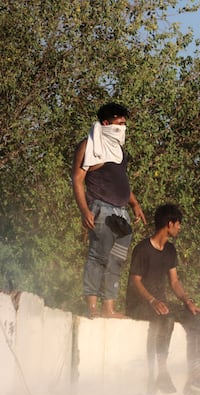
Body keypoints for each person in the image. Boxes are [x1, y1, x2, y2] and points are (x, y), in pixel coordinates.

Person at [125, 204, 200, 395]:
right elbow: (135, 281)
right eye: (178, 224)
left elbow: (174, 281)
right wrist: (152, 301)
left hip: (161, 303)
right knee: (166, 317)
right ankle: (161, 372)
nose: (180, 228)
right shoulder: (142, 249)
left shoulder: (170, 250)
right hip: (140, 305)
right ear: (169, 224)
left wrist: (188, 302)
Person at [71, 102, 146, 318]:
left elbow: (120, 181)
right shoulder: (90, 145)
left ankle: (109, 308)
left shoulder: (120, 151)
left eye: (124, 122)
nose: (123, 125)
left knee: (117, 261)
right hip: (101, 209)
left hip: (121, 213)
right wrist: (84, 210)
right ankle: (92, 307)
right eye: (119, 121)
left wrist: (135, 204)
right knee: (98, 257)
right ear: (106, 123)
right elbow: (77, 179)